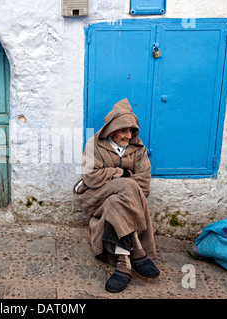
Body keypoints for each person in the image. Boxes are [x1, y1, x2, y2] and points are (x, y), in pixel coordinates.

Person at [73, 98, 160, 293]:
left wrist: (112, 178)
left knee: (117, 201)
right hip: (94, 197)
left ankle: (124, 263)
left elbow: (144, 185)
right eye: (123, 130)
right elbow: (91, 179)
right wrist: (121, 173)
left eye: (132, 131)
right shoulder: (94, 144)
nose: (128, 135)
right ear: (112, 129)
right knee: (128, 184)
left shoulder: (138, 150)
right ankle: (138, 250)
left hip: (114, 202)